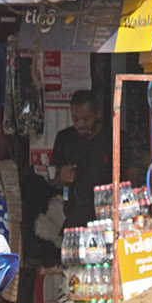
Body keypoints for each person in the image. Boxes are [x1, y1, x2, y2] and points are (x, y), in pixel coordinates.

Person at [52, 89, 112, 231]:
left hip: (107, 219)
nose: (80, 124)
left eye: (86, 119)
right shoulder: (64, 138)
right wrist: (61, 175)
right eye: (76, 119)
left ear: (98, 113)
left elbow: (129, 177)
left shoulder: (112, 138)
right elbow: (52, 178)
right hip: (75, 219)